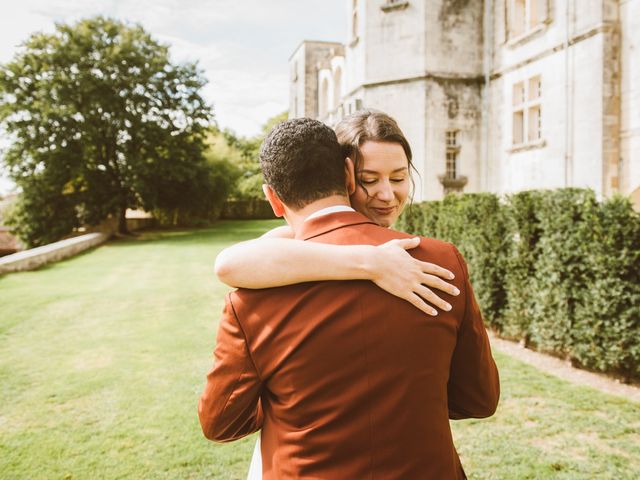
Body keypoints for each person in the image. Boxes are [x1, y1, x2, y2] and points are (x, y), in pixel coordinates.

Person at [198, 116, 500, 478]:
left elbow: (221, 424)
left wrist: (289, 407)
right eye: (370, 180)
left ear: (273, 199)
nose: (386, 194)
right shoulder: (440, 261)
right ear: (347, 174)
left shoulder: (255, 295)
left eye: (399, 177)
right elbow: (478, 399)